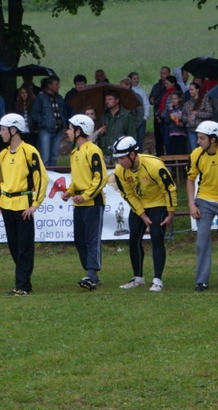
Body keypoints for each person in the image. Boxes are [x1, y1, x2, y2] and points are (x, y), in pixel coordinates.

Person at [0, 113, 47, 295]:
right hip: (6, 205)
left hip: (24, 206)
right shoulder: (3, 154)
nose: (0, 133)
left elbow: (41, 178)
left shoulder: (29, 151)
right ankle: (24, 282)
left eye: (3, 129)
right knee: (14, 247)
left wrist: (35, 204)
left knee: (24, 247)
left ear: (14, 130)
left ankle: (22, 285)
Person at [111, 136, 176, 292]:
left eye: (122, 158)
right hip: (140, 204)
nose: (120, 162)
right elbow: (127, 194)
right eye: (118, 159)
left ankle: (157, 280)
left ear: (133, 155)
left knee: (157, 239)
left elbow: (169, 188)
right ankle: (138, 278)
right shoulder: (120, 171)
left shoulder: (154, 165)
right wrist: (141, 214)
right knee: (134, 239)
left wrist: (170, 213)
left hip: (158, 203)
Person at [186, 120, 218, 291]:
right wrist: (191, 204)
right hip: (204, 201)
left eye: (202, 138)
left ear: (213, 139)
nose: (198, 141)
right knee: (202, 240)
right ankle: (201, 281)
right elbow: (190, 179)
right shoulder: (196, 154)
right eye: (198, 137)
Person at [61, 114, 108, 290]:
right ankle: (90, 272)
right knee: (79, 239)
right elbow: (77, 179)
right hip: (78, 203)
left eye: (70, 129)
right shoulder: (75, 153)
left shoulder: (93, 150)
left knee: (91, 239)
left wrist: (86, 195)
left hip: (93, 203)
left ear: (79, 131)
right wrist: (70, 191)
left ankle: (92, 274)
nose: (67, 132)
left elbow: (100, 177)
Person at [31, 76, 66, 167]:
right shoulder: (41, 98)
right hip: (45, 130)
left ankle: (52, 174)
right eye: (56, 84)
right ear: (49, 86)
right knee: (45, 157)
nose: (58, 86)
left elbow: (63, 112)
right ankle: (44, 174)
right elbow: (35, 113)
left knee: (54, 157)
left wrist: (63, 124)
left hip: (58, 130)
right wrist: (44, 123)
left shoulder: (59, 98)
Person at [96, 90, 136, 162]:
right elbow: (97, 136)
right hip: (105, 152)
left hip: (120, 153)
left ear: (117, 100)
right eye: (106, 99)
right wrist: (100, 132)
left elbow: (131, 135)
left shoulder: (126, 116)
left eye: (110, 99)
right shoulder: (103, 116)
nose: (107, 101)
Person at [181, 82, 213, 151]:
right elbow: (182, 116)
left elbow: (209, 113)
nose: (190, 91)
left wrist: (197, 113)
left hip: (202, 130)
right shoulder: (187, 103)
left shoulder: (204, 101)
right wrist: (187, 118)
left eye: (192, 90)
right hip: (191, 129)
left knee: (204, 149)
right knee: (194, 150)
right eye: (189, 90)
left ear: (197, 90)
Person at [149, 66, 171, 156]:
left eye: (164, 73)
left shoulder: (174, 86)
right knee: (158, 138)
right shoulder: (156, 86)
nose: (162, 75)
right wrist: (151, 99)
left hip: (168, 117)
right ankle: (160, 155)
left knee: (168, 139)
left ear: (169, 74)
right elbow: (150, 98)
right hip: (157, 115)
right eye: (161, 73)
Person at [128, 72, 150, 146]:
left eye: (137, 78)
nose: (136, 80)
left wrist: (145, 116)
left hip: (141, 119)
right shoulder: (128, 91)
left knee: (140, 140)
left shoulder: (142, 91)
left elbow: (146, 104)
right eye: (134, 79)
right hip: (132, 120)